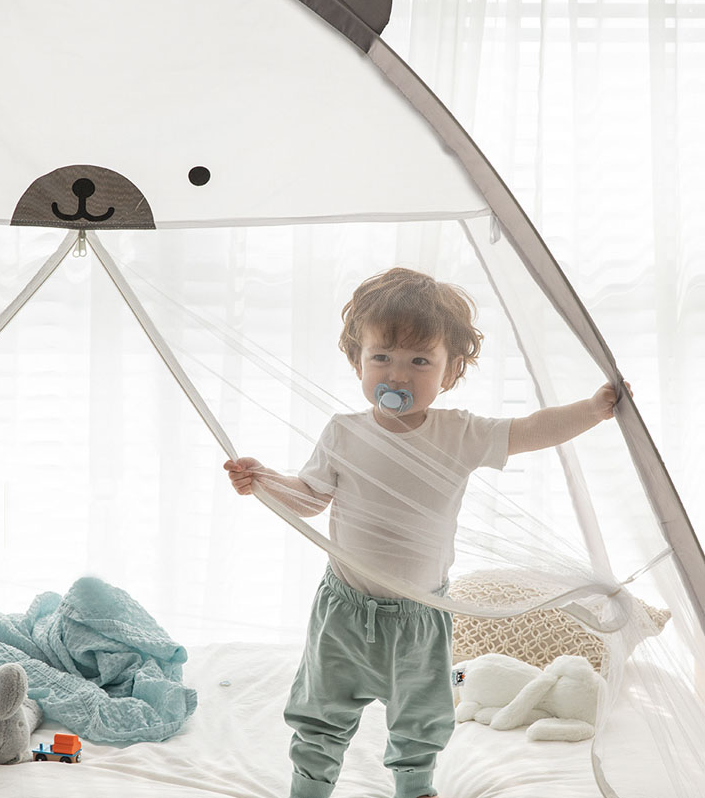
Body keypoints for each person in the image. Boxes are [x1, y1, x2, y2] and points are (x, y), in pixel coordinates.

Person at [223, 267, 629, 798]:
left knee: (423, 714)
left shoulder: (459, 432)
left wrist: (594, 410)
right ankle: (310, 786)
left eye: (419, 361)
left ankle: (414, 787)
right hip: (344, 610)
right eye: (381, 358)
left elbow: (531, 430)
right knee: (320, 710)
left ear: (451, 370)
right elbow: (311, 499)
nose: (398, 375)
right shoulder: (343, 432)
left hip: (421, 615)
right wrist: (265, 482)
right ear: (357, 361)